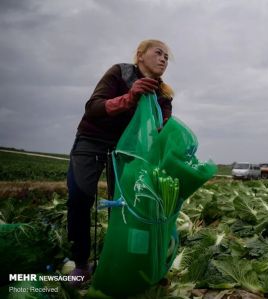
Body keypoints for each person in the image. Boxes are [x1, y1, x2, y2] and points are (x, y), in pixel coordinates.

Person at [66, 39, 174, 285]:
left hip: (126, 149)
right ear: (140, 55)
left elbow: (162, 127)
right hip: (92, 139)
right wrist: (130, 97)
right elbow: (93, 107)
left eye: (167, 57)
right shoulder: (120, 72)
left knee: (126, 204)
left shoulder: (163, 94)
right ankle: (81, 264)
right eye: (158, 53)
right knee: (80, 197)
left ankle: (119, 261)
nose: (164, 59)